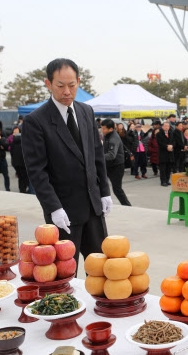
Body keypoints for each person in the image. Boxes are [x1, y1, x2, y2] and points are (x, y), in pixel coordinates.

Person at [22, 58, 111, 265]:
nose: (67, 92)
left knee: (100, 267)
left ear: (79, 81)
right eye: (60, 86)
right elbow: (37, 171)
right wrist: (53, 207)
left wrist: (105, 192)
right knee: (66, 272)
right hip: (64, 211)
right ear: (48, 84)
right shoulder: (36, 121)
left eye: (72, 85)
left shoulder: (86, 111)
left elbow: (96, 155)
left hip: (93, 206)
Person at [101, 119, 131, 206]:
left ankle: (127, 206)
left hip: (116, 166)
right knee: (101, 185)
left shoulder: (114, 138)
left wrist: (98, 157)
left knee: (117, 189)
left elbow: (111, 155)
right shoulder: (108, 135)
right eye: (102, 128)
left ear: (110, 129)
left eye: (104, 129)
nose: (102, 130)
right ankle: (102, 205)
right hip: (108, 165)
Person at [7, 126, 30, 193]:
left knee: (20, 177)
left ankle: (21, 189)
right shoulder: (25, 143)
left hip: (15, 163)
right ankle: (23, 189)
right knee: (24, 176)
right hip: (23, 163)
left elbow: (11, 152)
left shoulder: (13, 143)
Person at [157, 121, 175, 187]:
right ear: (162, 126)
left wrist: (172, 146)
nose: (167, 127)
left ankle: (167, 180)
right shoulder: (159, 134)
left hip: (170, 153)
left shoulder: (171, 133)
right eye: (166, 126)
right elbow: (160, 143)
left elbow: (174, 141)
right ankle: (163, 181)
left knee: (169, 168)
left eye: (168, 126)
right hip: (163, 153)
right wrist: (167, 146)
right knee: (163, 168)